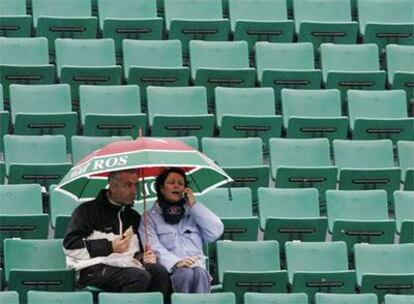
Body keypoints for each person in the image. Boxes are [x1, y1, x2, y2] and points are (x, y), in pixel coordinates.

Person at [63, 169, 170, 298]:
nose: (133, 191)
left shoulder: (134, 217)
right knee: (139, 277)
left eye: (135, 185)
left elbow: (137, 254)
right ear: (112, 186)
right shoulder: (86, 211)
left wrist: (144, 257)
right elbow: (70, 246)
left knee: (160, 273)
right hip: (92, 268)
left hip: (127, 265)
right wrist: (110, 247)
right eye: (128, 185)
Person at [139, 167, 224, 293]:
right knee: (185, 274)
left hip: (197, 266)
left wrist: (194, 205)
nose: (176, 186)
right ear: (161, 189)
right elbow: (154, 247)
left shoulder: (194, 213)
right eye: (171, 183)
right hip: (171, 270)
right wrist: (177, 262)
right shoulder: (149, 217)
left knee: (200, 273)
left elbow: (216, 231)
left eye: (180, 183)